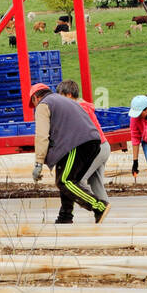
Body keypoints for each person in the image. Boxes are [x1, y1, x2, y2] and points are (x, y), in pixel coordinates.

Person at [30, 83, 109, 224]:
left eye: (33, 103)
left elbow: (41, 136)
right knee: (68, 179)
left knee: (64, 181)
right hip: (91, 142)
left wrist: (38, 163)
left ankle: (99, 207)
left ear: (36, 97)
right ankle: (65, 216)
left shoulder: (43, 105)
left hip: (76, 144)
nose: (34, 106)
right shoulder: (62, 100)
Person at [57, 79, 109, 207]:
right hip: (104, 146)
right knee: (96, 182)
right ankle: (104, 210)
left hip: (95, 149)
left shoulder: (78, 109)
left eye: (61, 96)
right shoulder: (82, 106)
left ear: (68, 95)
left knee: (75, 181)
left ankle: (97, 206)